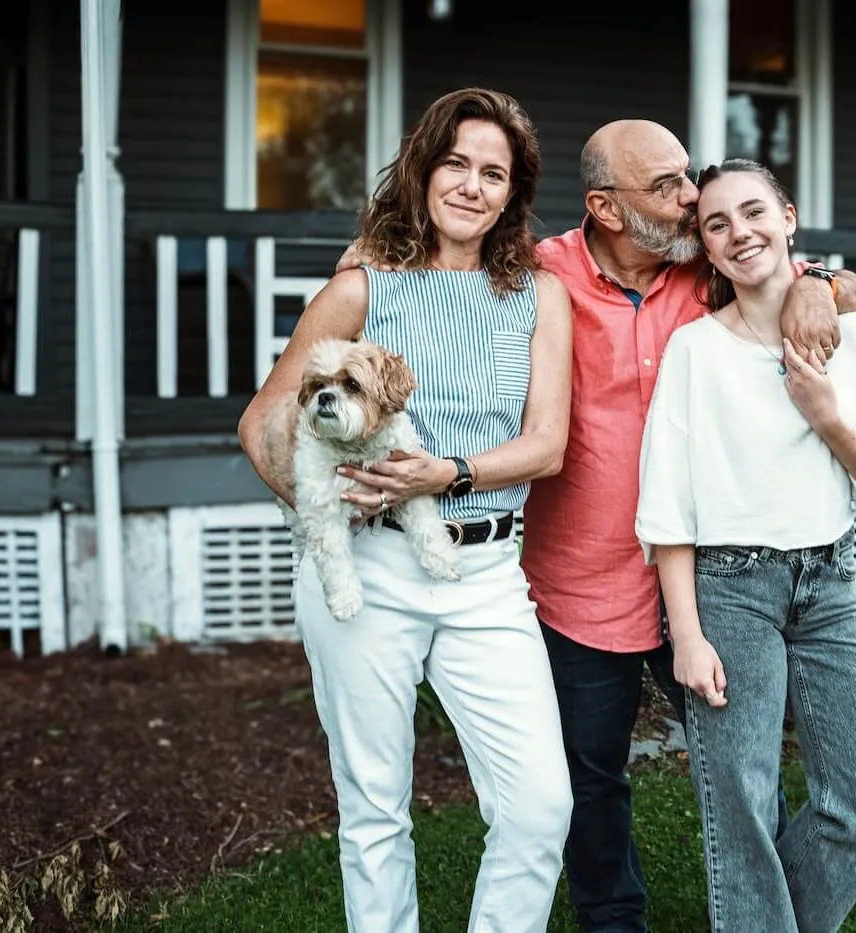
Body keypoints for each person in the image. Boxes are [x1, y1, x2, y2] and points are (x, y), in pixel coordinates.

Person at [338, 118, 856, 933]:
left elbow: (844, 294)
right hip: (580, 582)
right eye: (667, 186)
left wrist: (819, 280)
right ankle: (613, 919)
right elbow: (417, 273)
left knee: (742, 767)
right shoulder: (536, 275)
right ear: (607, 207)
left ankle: (765, 918)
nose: (693, 198)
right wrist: (358, 268)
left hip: (711, 573)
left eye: (688, 176)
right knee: (590, 776)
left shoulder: (707, 271)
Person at [238, 88, 575, 933]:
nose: (472, 185)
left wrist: (445, 473)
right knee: (376, 808)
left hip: (488, 570)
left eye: (493, 172)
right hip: (372, 568)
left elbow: (547, 444)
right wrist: (323, 508)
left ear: (513, 192)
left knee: (540, 804)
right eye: (456, 163)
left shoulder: (540, 294)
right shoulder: (363, 286)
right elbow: (264, 419)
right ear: (423, 171)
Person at [635, 158, 856, 933]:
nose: (739, 233)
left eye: (754, 212)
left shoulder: (855, 338)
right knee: (743, 804)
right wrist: (687, 635)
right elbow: (669, 508)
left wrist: (827, 415)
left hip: (828, 584)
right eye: (717, 224)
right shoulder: (696, 352)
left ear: (788, 218)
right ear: (707, 247)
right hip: (729, 587)